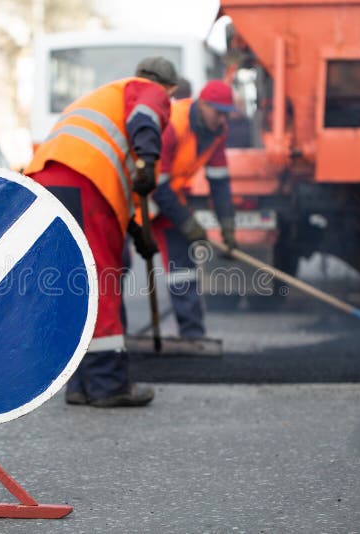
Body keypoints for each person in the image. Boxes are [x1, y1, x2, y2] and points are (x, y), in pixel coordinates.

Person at [24, 57, 178, 407]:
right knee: (102, 278)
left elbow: (121, 181)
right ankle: (108, 385)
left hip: (47, 181)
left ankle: (79, 383)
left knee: (73, 284)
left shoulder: (105, 97)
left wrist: (137, 229)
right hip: (84, 183)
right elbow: (146, 120)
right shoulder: (148, 92)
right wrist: (149, 160)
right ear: (170, 88)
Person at [149, 79, 238, 339]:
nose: (222, 119)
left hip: (167, 196)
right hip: (135, 196)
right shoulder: (173, 124)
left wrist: (228, 229)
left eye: (226, 113)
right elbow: (157, 183)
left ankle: (193, 336)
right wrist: (188, 224)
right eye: (218, 112)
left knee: (183, 266)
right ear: (202, 104)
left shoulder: (218, 132)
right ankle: (110, 339)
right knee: (117, 262)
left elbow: (220, 183)